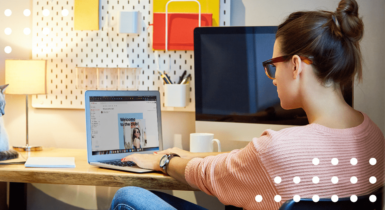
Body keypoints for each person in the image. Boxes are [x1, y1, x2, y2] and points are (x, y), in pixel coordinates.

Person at [111, 0, 384, 209]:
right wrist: (187, 154)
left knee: (128, 196)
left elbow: (212, 175)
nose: (273, 78)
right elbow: (238, 165)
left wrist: (164, 160)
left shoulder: (276, 149)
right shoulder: (373, 135)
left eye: (272, 66)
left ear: (296, 65)